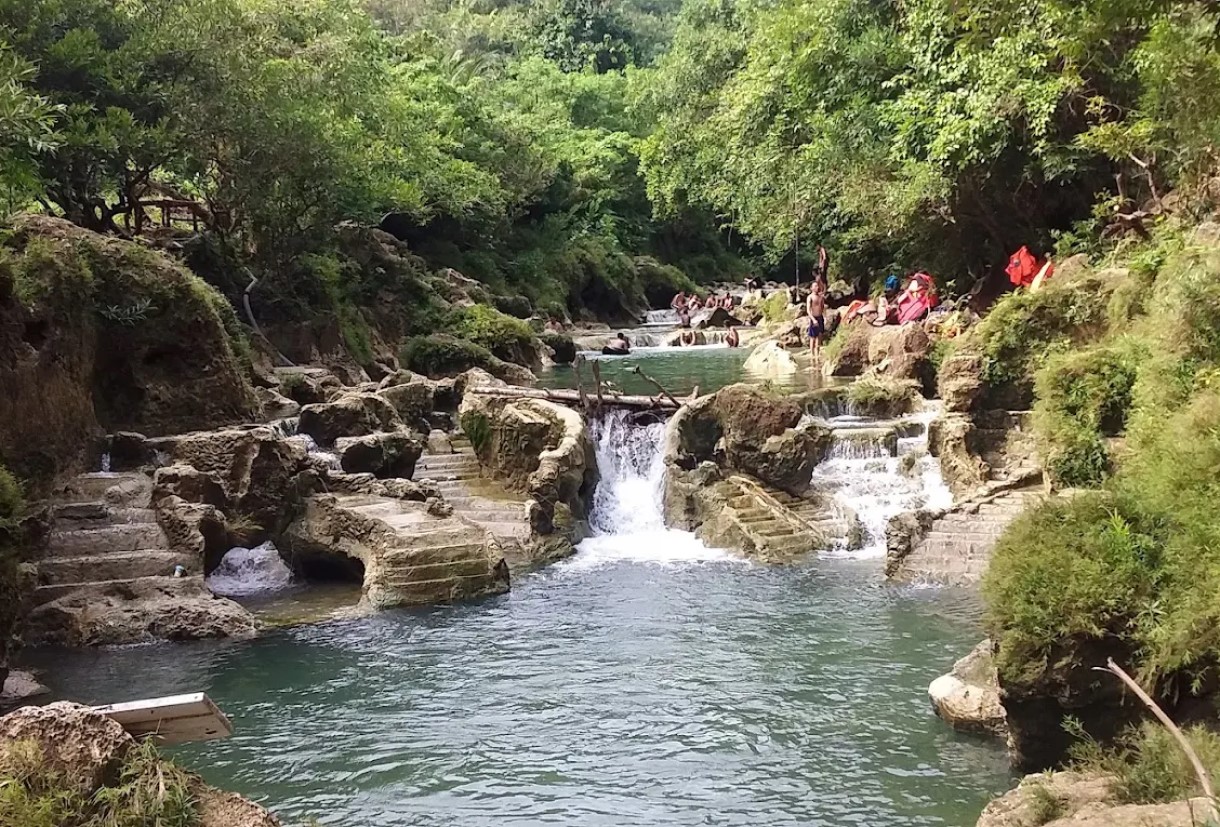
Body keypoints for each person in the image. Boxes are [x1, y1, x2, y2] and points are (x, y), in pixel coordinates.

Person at [806, 281, 826, 360]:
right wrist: (813, 319)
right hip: (813, 317)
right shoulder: (810, 297)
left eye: (817, 286)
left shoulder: (821, 297)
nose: (817, 287)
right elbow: (808, 310)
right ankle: (812, 354)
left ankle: (817, 353)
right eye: (815, 286)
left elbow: (823, 307)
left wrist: (825, 316)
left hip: (820, 317)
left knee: (819, 336)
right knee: (812, 337)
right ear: (811, 288)